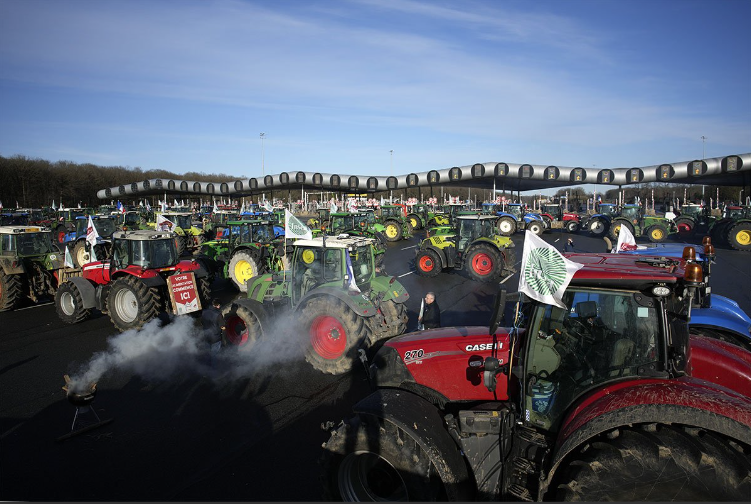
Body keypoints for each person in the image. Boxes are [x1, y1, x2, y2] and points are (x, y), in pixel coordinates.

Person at [200, 298, 225, 368]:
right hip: (215, 338)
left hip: (206, 336)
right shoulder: (218, 315)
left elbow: (202, 322)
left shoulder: (204, 312)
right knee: (215, 356)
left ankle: (206, 368)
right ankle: (214, 370)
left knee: (207, 353)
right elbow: (223, 327)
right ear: (218, 305)